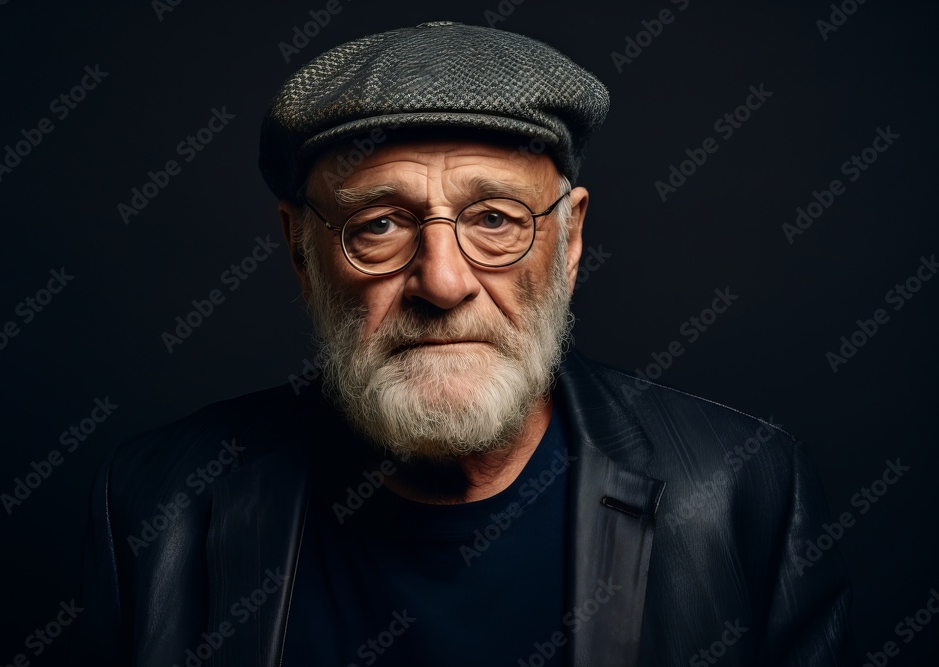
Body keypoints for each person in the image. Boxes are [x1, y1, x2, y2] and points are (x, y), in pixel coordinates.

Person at [77, 21, 849, 666]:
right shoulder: (155, 503)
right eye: (378, 224)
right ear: (301, 252)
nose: (442, 283)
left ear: (571, 238)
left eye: (495, 220)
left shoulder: (747, 489)